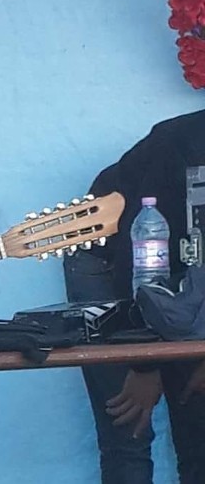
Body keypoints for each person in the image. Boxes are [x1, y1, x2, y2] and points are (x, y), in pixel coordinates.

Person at [63, 109, 205, 484]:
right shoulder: (182, 144)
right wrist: (144, 363)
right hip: (110, 263)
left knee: (199, 428)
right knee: (129, 425)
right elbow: (140, 258)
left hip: (186, 285)